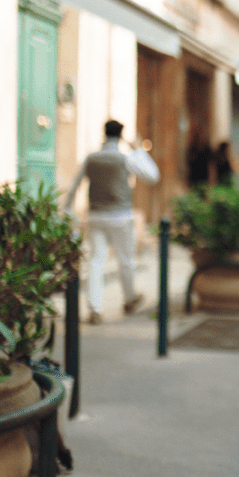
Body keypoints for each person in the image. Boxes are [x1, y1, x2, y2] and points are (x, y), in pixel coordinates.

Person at [63, 119, 160, 324]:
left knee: (96, 261)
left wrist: (66, 211)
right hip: (121, 216)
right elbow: (153, 176)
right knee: (125, 259)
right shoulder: (125, 158)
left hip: (96, 216)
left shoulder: (91, 158)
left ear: (104, 134)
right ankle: (130, 297)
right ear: (121, 136)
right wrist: (139, 150)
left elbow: (74, 186)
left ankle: (95, 308)